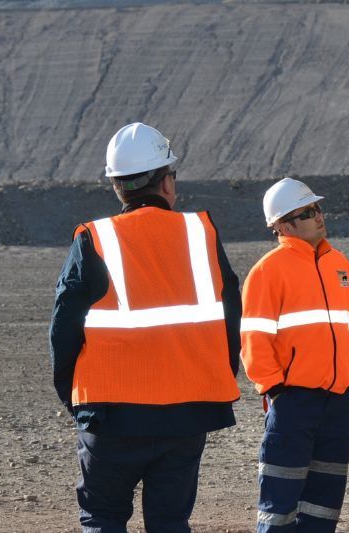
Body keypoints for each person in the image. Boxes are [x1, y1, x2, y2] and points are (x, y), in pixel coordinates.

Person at [49, 122, 242, 532]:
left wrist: (75, 398)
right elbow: (230, 310)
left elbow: (63, 325)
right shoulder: (200, 234)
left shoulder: (93, 238)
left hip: (111, 415)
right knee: (170, 521)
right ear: (166, 182)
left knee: (102, 518)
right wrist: (219, 376)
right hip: (187, 412)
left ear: (117, 187)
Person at [240, 177, 349, 532]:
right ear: (284, 225)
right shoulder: (268, 271)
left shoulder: (340, 264)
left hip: (338, 402)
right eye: (308, 211)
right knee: (279, 506)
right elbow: (254, 339)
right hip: (293, 404)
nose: (318, 216)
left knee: (324, 506)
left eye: (317, 208)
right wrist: (275, 389)